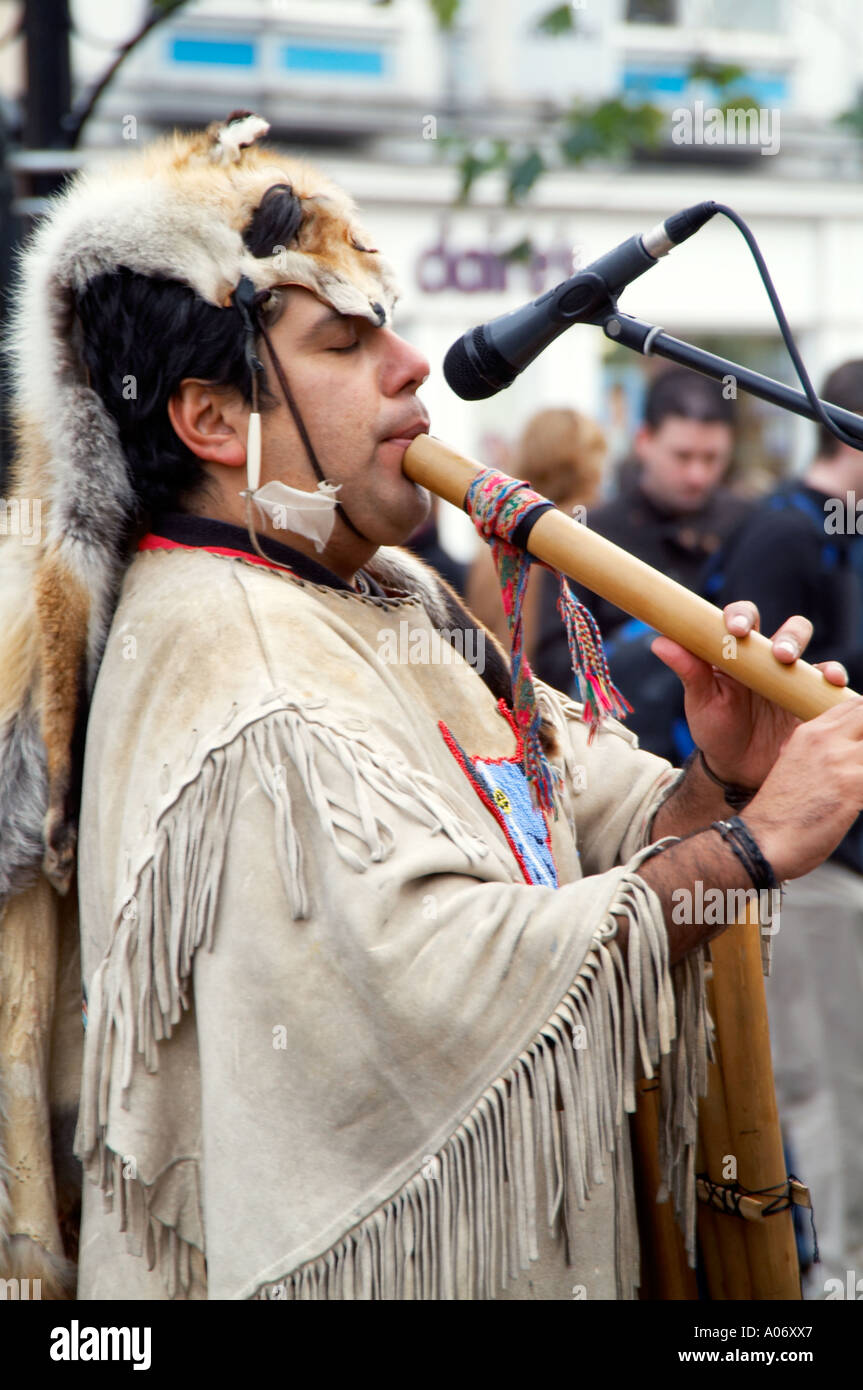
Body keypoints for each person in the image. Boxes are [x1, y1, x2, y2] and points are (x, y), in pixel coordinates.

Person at [0, 114, 861, 1303]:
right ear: (209, 420)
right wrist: (757, 845)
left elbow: (570, 823)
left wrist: (716, 777)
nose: (410, 367)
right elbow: (433, 988)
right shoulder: (225, 652)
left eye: (388, 328)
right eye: (346, 342)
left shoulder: (380, 586)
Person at [709, 359, 863, 1296]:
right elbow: (766, 704)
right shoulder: (778, 536)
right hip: (814, 864)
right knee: (819, 1078)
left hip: (847, 855)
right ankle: (835, 1274)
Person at [537, 368, 747, 757]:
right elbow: (552, 665)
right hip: (616, 757)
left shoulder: (749, 527)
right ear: (643, 440)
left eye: (712, 457)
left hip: (727, 761)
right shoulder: (588, 534)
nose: (697, 475)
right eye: (682, 456)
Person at [466, 406, 605, 659]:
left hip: (497, 690)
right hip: (551, 694)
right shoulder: (584, 536)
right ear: (588, 464)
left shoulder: (494, 541)